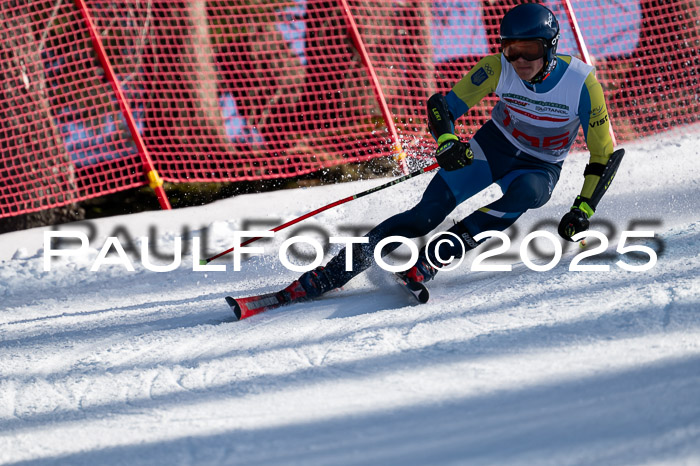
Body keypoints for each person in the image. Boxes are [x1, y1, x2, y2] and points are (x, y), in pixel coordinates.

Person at [280, 3, 618, 302]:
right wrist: (447, 141)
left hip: (540, 165)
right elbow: (443, 106)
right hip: (492, 147)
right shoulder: (497, 67)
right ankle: (330, 275)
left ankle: (429, 260)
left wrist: (583, 208)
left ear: (550, 47)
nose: (519, 61)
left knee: (527, 193)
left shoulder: (581, 84)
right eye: (511, 50)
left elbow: (603, 153)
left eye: (529, 50)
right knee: (424, 215)